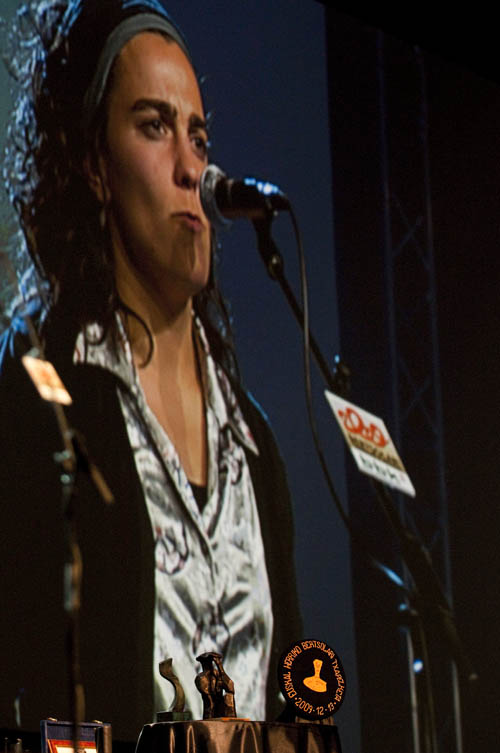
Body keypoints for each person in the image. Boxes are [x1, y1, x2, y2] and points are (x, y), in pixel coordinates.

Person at [0, 0, 302, 741]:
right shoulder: (42, 391)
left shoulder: (252, 441)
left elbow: (295, 686)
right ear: (94, 166)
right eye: (153, 126)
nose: (193, 168)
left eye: (197, 135)